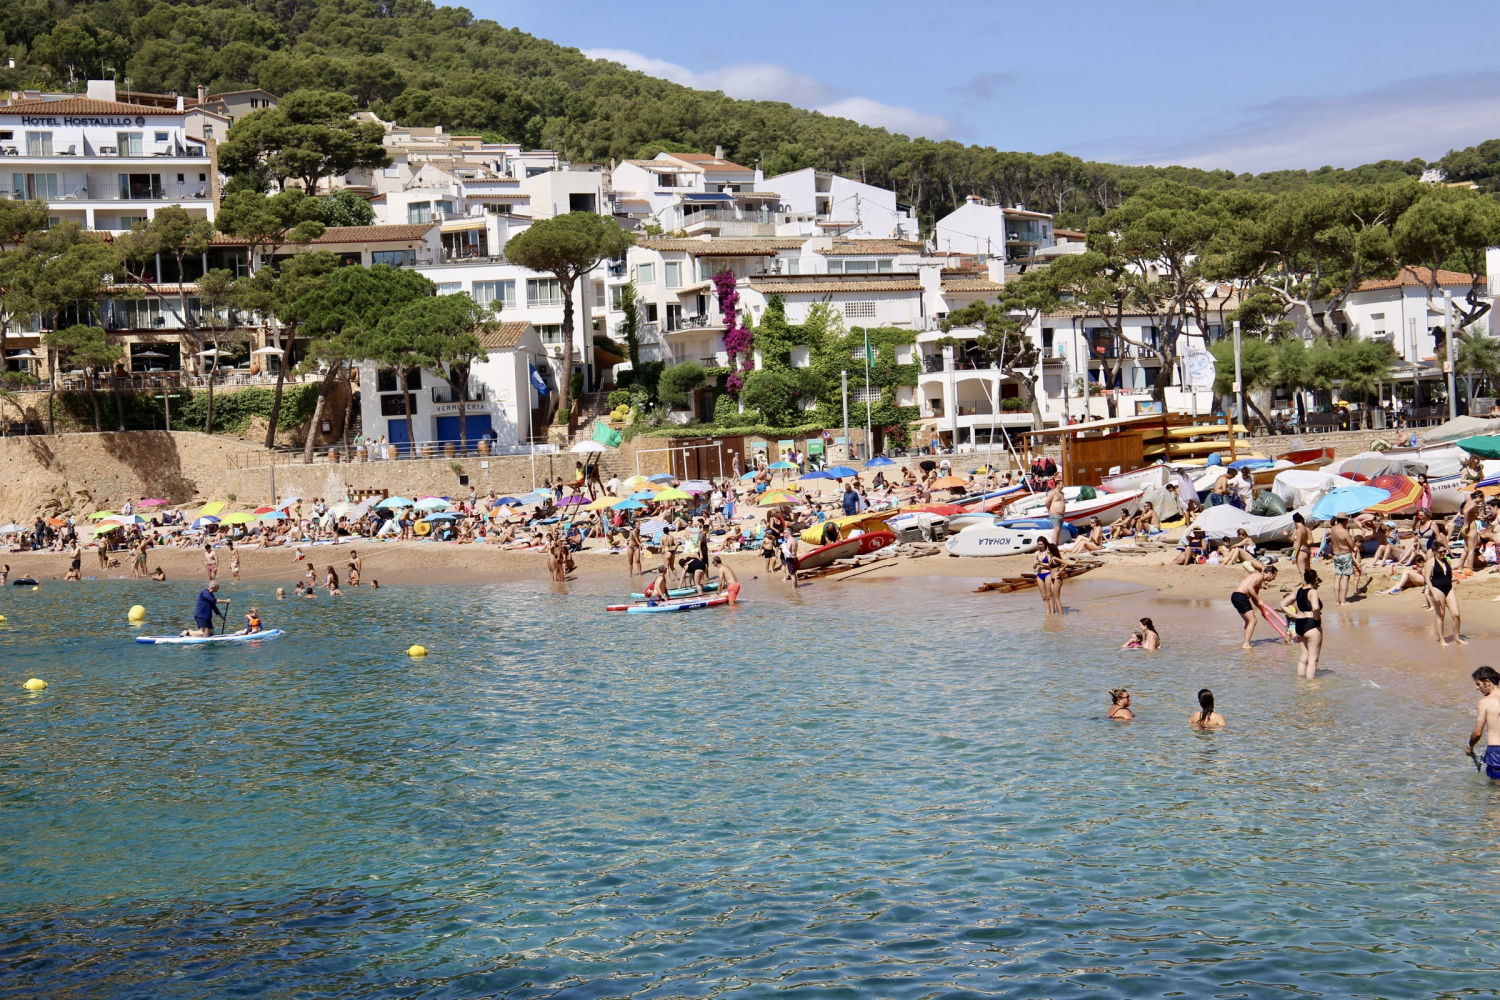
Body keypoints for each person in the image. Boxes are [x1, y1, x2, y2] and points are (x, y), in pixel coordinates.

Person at [1282, 569, 1324, 679]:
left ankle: (1300, 684)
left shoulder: (1298, 591)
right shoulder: (1313, 591)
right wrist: (1316, 617)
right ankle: (1310, 687)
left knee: (1303, 658)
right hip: (1311, 624)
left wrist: (1296, 616)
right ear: (1315, 580)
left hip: (1299, 624)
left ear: (1304, 578)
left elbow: (1283, 604)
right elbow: (1315, 607)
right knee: (1313, 660)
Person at [1424, 545, 1465, 647]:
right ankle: (1442, 640)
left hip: (1449, 588)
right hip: (1437, 588)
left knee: (1456, 614)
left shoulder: (1447, 561)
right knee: (1441, 615)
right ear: (1434, 552)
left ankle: (1456, 638)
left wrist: (1454, 579)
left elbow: (1448, 575)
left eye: (1444, 552)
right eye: (1440, 552)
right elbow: (1427, 578)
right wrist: (1433, 592)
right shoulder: (1430, 562)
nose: (1443, 554)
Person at [1465, 665, 1500, 780]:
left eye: (1478, 684)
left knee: (1495, 792)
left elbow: (1477, 733)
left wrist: (1470, 746)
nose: (1477, 688)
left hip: (1496, 751)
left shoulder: (1485, 702)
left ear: (1488, 682)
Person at [1231, 563, 1277, 648]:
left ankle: (1246, 641)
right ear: (1270, 573)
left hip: (1236, 596)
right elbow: (1249, 588)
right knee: (1253, 621)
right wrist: (1259, 599)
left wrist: (1262, 611)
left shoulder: (1259, 579)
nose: (1274, 579)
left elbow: (1253, 598)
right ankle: (1246, 644)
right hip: (1241, 596)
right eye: (1274, 576)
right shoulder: (1259, 576)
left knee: (1249, 621)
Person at [1328, 515, 1361, 606]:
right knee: (1345, 577)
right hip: (1345, 554)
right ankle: (1343, 601)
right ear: (1345, 520)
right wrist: (1351, 537)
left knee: (1337, 577)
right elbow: (1352, 545)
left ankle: (1337, 601)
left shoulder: (1333, 529)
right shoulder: (1344, 532)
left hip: (1336, 555)